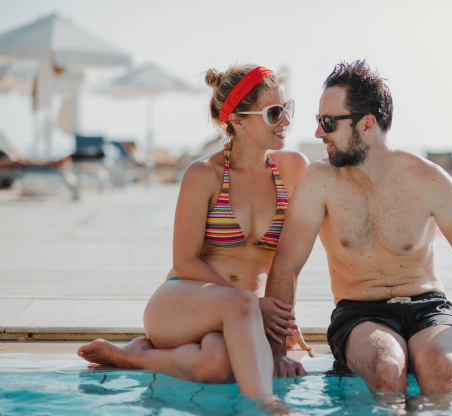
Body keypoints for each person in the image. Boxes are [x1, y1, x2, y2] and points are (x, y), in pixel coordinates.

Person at [265, 60, 452, 393]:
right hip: (359, 313)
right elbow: (286, 265)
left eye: (328, 122)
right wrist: (277, 352)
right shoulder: (318, 181)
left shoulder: (427, 179)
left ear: (366, 124)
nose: (319, 133)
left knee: (442, 368)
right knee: (387, 367)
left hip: (430, 307)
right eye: (319, 121)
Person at [77, 65, 310, 403]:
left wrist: (277, 335)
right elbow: (184, 262)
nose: (286, 121)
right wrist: (253, 306)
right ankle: (269, 408)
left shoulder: (292, 168)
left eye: (287, 109)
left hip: (241, 318)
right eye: (274, 113)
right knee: (241, 303)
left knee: (217, 366)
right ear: (238, 120)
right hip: (184, 303)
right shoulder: (204, 174)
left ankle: (130, 356)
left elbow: (287, 261)